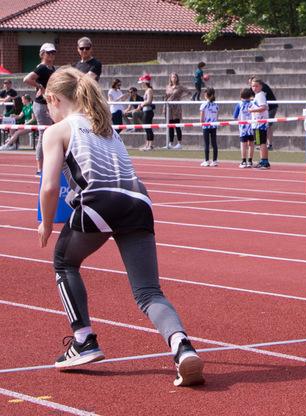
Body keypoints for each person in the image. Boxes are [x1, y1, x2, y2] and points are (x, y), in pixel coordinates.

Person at [38, 67, 205, 385]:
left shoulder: (57, 131)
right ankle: (182, 347)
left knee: (64, 261)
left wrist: (46, 224)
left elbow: (48, 187)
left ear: (53, 99)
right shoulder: (105, 128)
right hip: (139, 202)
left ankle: (84, 339)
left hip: (101, 202)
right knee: (148, 292)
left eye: (49, 106)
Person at [23, 42, 57, 175]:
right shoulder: (42, 67)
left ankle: (50, 164)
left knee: (51, 135)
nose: (52, 55)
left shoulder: (51, 68)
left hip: (49, 104)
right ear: (42, 54)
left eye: (53, 52)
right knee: (44, 134)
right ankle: (39, 168)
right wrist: (40, 87)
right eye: (49, 53)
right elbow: (27, 79)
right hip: (41, 105)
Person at [249, 78, 271, 169]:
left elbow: (263, 107)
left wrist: (251, 110)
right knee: (260, 143)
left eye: (256, 86)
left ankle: (265, 161)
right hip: (257, 123)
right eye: (253, 86)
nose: (254, 88)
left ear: (261, 86)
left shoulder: (260, 95)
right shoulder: (258, 96)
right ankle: (263, 160)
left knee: (262, 143)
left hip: (260, 123)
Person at [164, 73, 189, 149]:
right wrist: (164, 108)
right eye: (172, 77)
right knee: (170, 125)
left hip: (176, 107)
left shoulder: (180, 87)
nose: (174, 79)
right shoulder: (168, 87)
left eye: (175, 77)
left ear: (177, 78)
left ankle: (179, 143)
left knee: (177, 125)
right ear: (170, 78)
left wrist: (180, 97)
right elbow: (166, 97)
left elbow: (188, 92)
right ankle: (170, 143)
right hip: (169, 107)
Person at [235, 87, 256, 168]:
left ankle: (244, 161)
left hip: (243, 128)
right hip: (252, 126)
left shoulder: (239, 104)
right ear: (250, 95)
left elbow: (235, 116)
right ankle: (250, 161)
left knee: (243, 144)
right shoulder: (253, 103)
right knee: (251, 144)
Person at [199, 87, 219, 167]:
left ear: (206, 95)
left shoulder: (204, 105)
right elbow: (217, 116)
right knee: (214, 143)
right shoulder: (216, 105)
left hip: (206, 126)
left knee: (206, 143)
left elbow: (201, 118)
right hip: (214, 125)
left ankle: (207, 160)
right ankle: (214, 161)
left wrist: (202, 123)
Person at [136, 74, 156, 151]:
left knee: (148, 128)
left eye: (142, 83)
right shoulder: (147, 91)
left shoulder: (149, 90)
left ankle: (150, 145)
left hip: (148, 111)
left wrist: (141, 104)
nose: (141, 85)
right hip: (145, 111)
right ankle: (147, 144)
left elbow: (149, 101)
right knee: (146, 128)